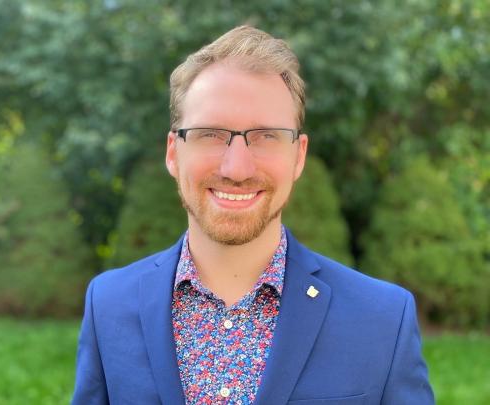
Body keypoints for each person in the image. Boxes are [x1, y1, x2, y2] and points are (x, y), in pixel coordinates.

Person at [72, 25, 434, 405]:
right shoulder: (108, 305)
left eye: (266, 136)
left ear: (299, 155)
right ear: (173, 152)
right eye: (210, 133)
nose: (237, 168)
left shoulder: (383, 320)